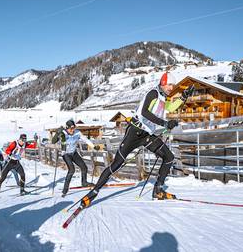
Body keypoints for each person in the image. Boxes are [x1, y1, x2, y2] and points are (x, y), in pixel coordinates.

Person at [80, 72, 195, 208]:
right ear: (163, 83)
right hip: (134, 133)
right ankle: (93, 193)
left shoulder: (164, 98)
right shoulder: (153, 93)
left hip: (147, 136)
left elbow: (170, 108)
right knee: (117, 163)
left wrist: (183, 97)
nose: (171, 88)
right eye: (170, 84)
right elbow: (144, 113)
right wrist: (165, 124)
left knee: (169, 157)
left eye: (173, 85)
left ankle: (158, 190)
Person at [52, 119, 100, 197]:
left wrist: (94, 147)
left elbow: (85, 140)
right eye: (71, 128)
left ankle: (84, 182)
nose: (72, 130)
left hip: (74, 153)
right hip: (66, 154)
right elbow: (53, 141)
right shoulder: (63, 133)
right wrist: (57, 133)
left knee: (84, 167)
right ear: (67, 128)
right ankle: (65, 189)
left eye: (73, 128)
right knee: (72, 170)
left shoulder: (77, 132)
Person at [0, 134, 28, 199]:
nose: (23, 141)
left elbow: (32, 145)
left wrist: (36, 141)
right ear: (20, 139)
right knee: (2, 178)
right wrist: (11, 154)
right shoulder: (14, 143)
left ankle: (22, 190)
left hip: (16, 163)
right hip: (8, 163)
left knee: (22, 174)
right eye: (23, 140)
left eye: (25, 140)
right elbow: (8, 150)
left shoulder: (25, 144)